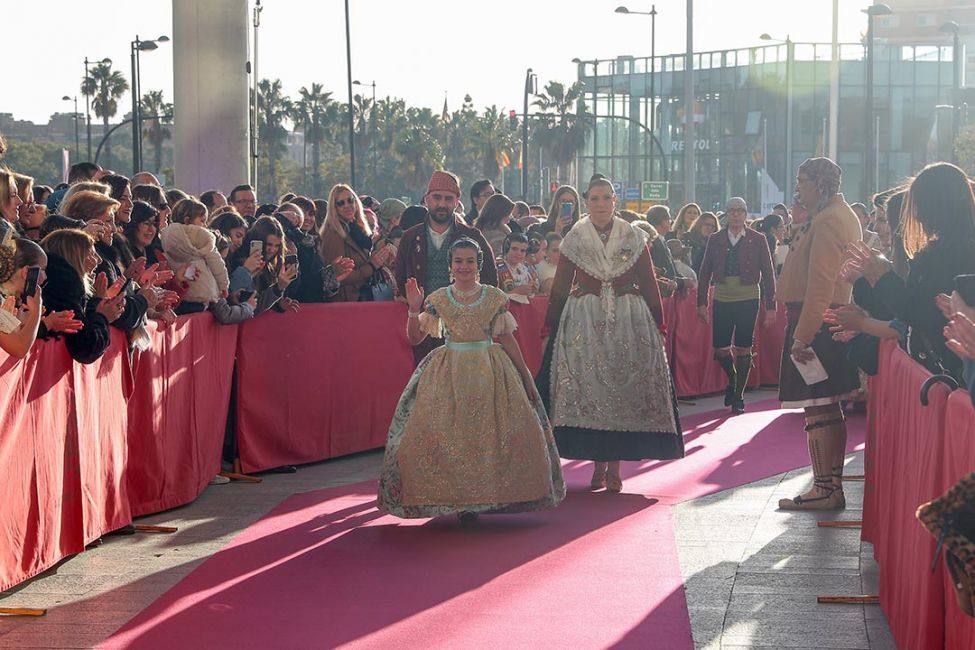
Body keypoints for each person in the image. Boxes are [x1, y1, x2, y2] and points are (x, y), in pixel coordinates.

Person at [377, 238, 564, 522]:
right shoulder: (438, 298)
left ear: (479, 265)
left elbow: (508, 338)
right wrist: (414, 308)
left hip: (490, 370)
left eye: (469, 261)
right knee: (448, 434)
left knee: (489, 434)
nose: (464, 266)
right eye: (458, 261)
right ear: (450, 265)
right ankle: (459, 499)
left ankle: (486, 497)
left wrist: (524, 373)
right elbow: (415, 338)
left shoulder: (493, 296)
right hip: (448, 371)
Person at [537, 177, 684, 493]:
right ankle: (597, 465)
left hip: (629, 320)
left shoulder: (633, 234)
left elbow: (648, 282)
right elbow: (561, 286)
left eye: (606, 198)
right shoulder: (575, 237)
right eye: (594, 199)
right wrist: (549, 326)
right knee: (589, 389)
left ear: (615, 201)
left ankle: (615, 468)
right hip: (584, 321)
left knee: (623, 391)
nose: (601, 204)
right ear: (586, 202)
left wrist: (659, 325)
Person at [775, 157, 862, 511]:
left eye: (803, 181)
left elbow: (822, 285)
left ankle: (826, 488)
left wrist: (803, 335)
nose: (798, 188)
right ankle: (828, 486)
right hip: (821, 321)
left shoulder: (829, 220)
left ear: (821, 184)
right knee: (826, 407)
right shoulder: (831, 215)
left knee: (818, 408)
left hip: (816, 324)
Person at [843, 162, 975, 383]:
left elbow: (919, 313)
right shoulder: (941, 249)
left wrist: (881, 276)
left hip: (951, 372)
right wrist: (872, 279)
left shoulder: (958, 253)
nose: (917, 216)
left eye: (920, 206)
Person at [393, 171, 499, 365]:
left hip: (464, 331)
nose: (442, 204)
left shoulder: (473, 236)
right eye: (437, 197)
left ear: (457, 202)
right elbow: (400, 279)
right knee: (428, 384)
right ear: (427, 200)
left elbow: (491, 281)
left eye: (448, 198)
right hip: (424, 328)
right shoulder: (410, 237)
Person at [696, 197, 776, 414]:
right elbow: (704, 272)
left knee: (744, 346)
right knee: (720, 348)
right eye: (732, 211)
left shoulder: (758, 239)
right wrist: (701, 302)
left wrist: (771, 307)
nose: (736, 215)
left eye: (740, 211)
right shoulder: (716, 239)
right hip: (722, 295)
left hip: (749, 295)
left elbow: (769, 275)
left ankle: (738, 395)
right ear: (726, 214)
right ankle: (733, 379)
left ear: (746, 214)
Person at [39, 229, 125, 363]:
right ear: (75, 255)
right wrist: (102, 316)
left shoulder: (61, 283)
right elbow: (85, 346)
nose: (98, 260)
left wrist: (96, 302)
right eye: (91, 253)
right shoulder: (64, 284)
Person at [319, 184, 391, 302]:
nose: (347, 205)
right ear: (334, 208)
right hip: (346, 303)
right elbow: (340, 277)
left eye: (350, 200)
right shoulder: (333, 234)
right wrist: (372, 266)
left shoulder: (355, 229)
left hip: (361, 298)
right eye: (341, 203)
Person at [160, 198, 230, 315]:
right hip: (202, 292)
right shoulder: (203, 237)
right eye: (203, 221)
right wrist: (224, 285)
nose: (205, 225)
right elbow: (216, 262)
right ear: (187, 220)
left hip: (180, 296)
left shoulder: (166, 236)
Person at [495, 233, 538, 304]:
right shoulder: (495, 267)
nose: (518, 253)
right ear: (506, 248)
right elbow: (492, 299)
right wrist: (515, 292)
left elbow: (537, 291)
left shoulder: (528, 267)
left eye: (522, 251)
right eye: (514, 249)